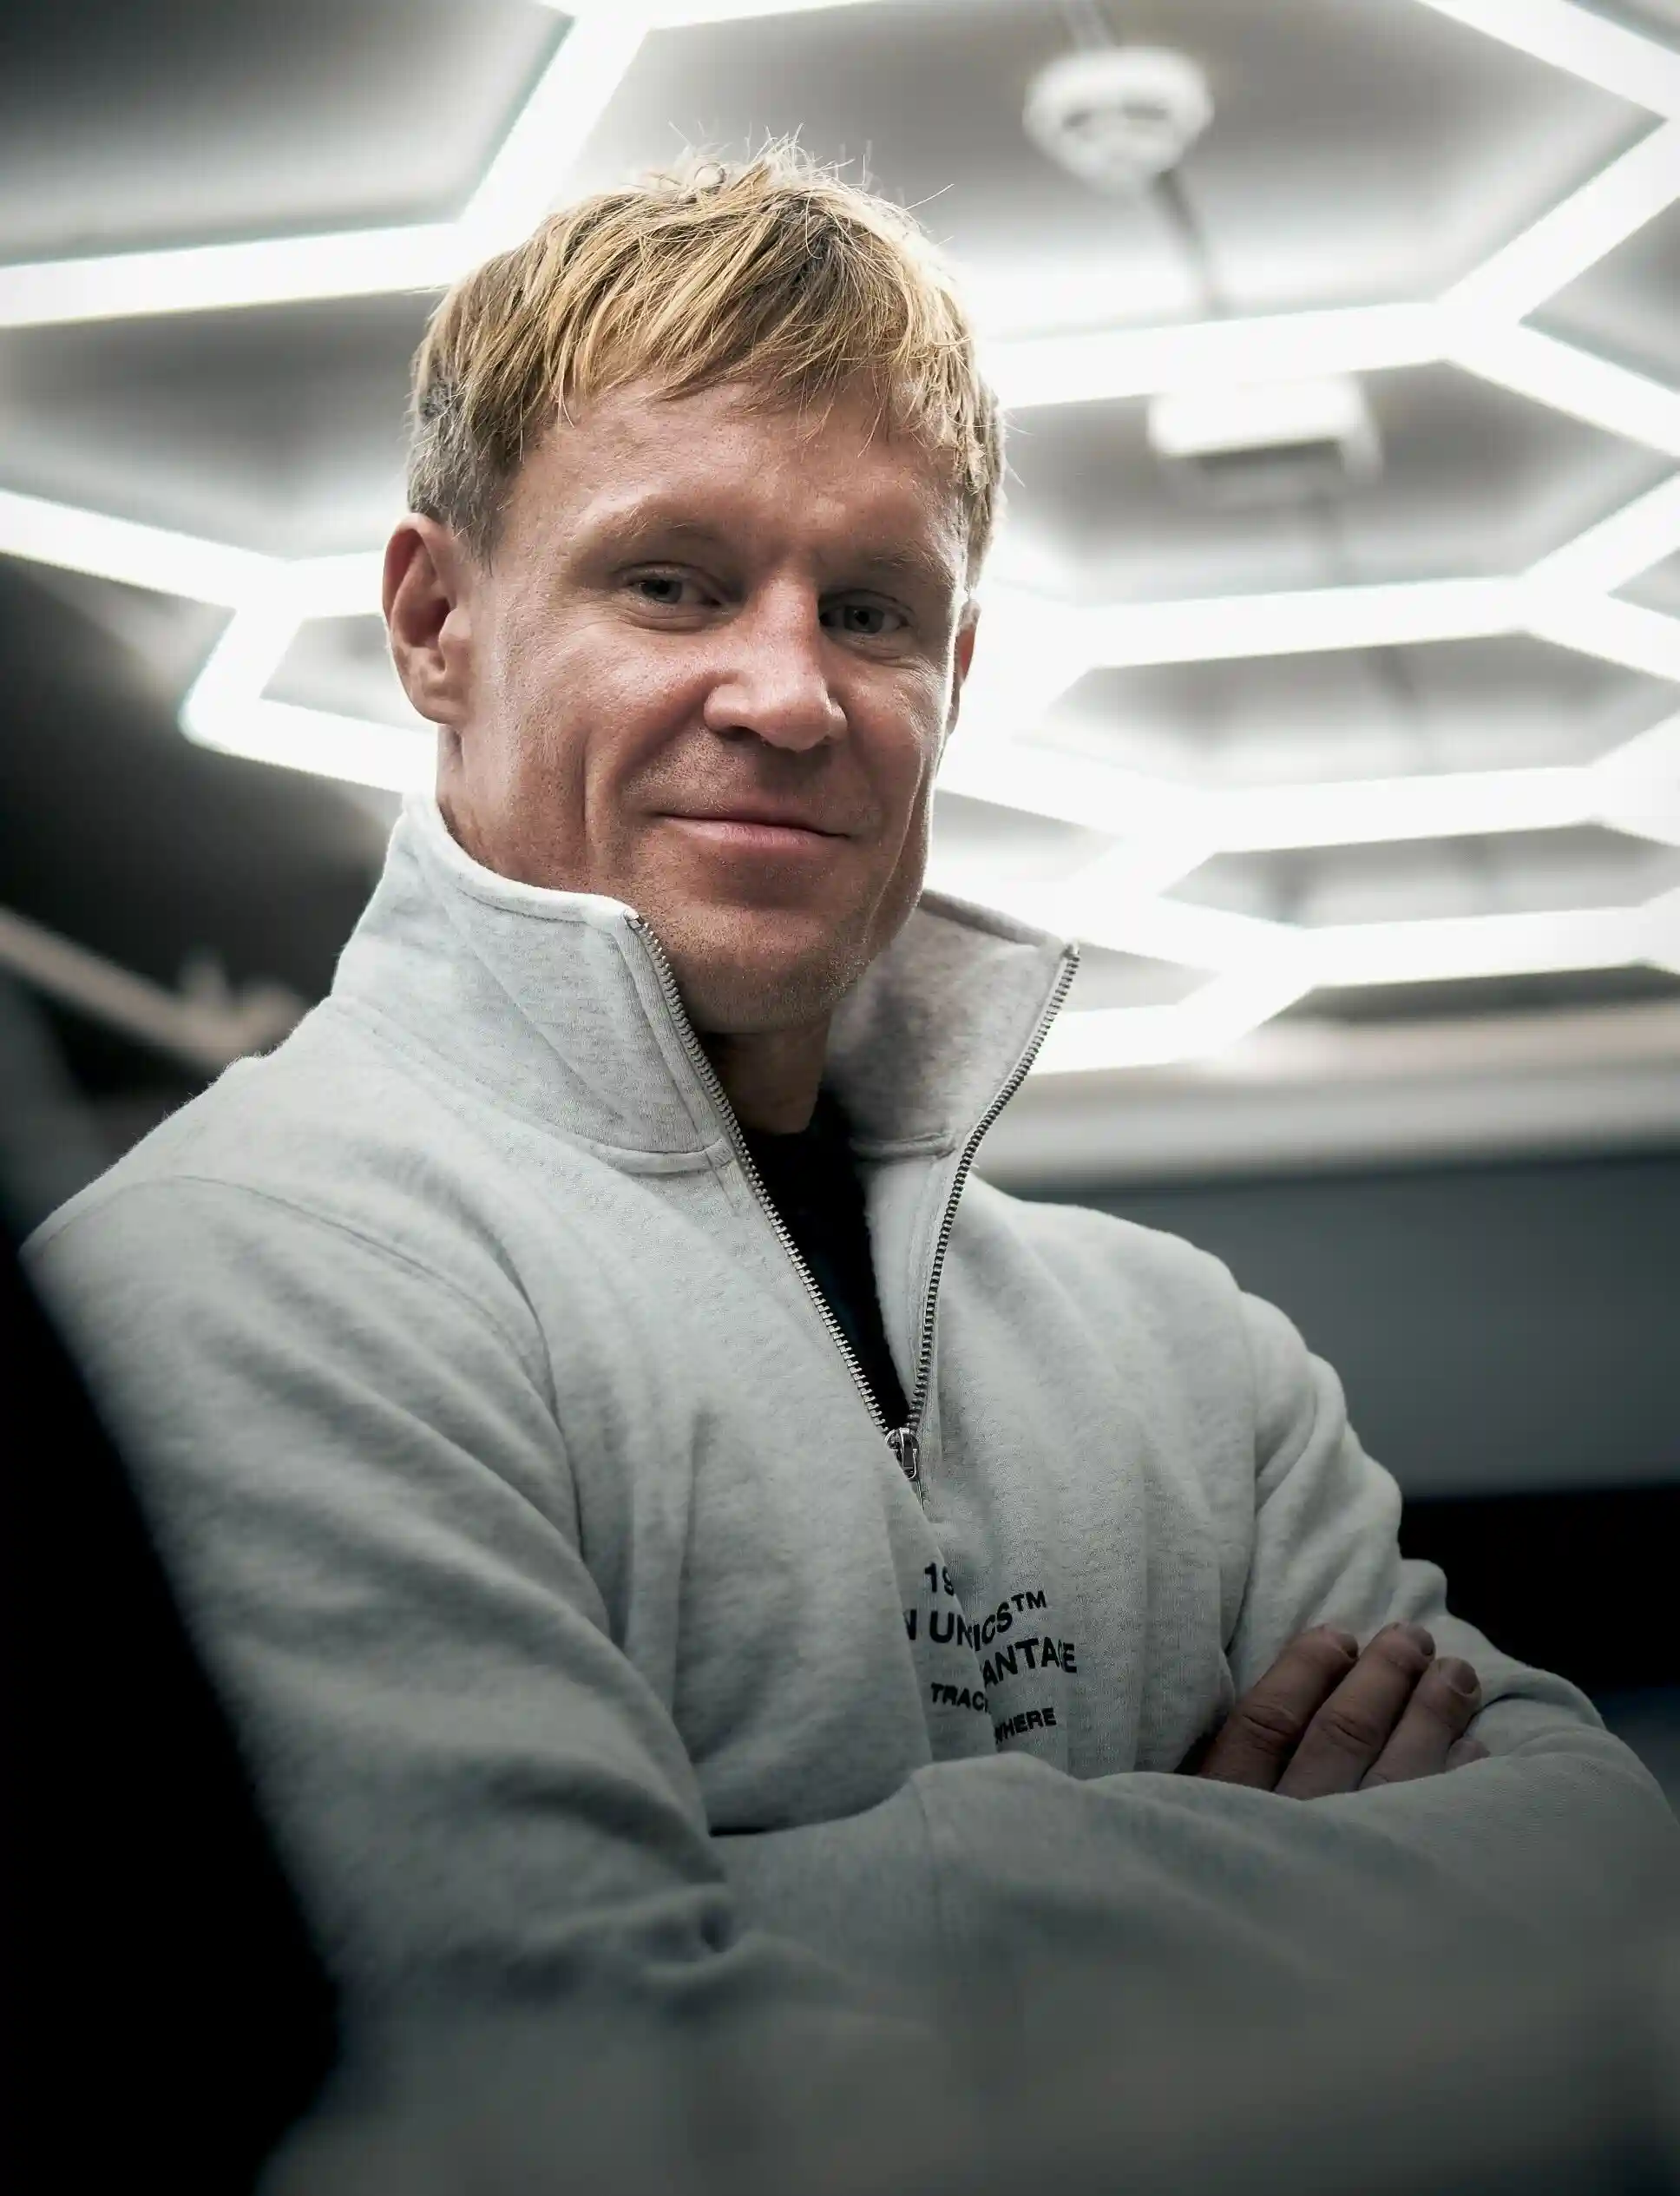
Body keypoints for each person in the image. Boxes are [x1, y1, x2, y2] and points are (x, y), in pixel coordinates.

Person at [27, 150, 1677, 2075]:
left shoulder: (1193, 1355)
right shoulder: (225, 1280)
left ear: (952, 674)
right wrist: (1258, 1909)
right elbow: (558, 2087)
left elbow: (1608, 1891)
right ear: (436, 621)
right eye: (672, 583)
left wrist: (817, 1909)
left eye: (874, 610)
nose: (790, 694)